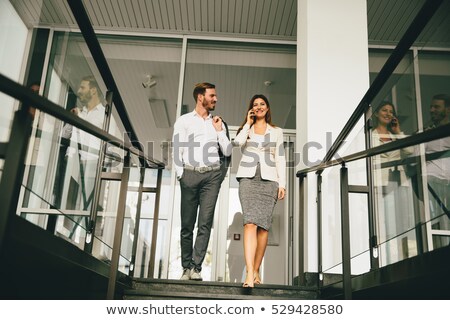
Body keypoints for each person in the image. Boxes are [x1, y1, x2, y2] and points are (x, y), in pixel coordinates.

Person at [172, 82, 232, 281]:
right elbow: (177, 150)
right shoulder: (184, 121)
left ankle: (196, 268)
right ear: (200, 97)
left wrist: (219, 131)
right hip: (189, 175)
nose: (215, 99)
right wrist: (181, 174)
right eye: (212, 95)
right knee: (187, 225)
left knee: (205, 224)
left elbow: (228, 151)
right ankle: (185, 267)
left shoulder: (218, 122)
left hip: (211, 177)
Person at [234, 94, 286, 287]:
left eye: (262, 104)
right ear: (251, 109)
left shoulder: (277, 131)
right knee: (249, 223)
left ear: (267, 107)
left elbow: (280, 157)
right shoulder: (246, 130)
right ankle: (249, 273)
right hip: (248, 179)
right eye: (255, 105)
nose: (258, 107)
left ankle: (256, 269)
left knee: (263, 227)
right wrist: (247, 124)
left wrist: (282, 184)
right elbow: (237, 144)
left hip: (269, 180)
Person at [371, 101, 415, 262]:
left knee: (400, 221)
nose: (388, 114)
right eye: (384, 110)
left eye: (391, 111)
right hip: (380, 183)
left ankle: (403, 256)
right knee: (382, 221)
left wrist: (398, 132)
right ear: (376, 114)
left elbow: (410, 150)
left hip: (398, 183)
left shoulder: (395, 135)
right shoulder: (370, 135)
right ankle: (385, 257)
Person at [424, 94, 450, 232]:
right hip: (432, 182)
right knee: (436, 220)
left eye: (436, 107)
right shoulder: (428, 132)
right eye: (431, 107)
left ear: (448, 110)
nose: (432, 110)